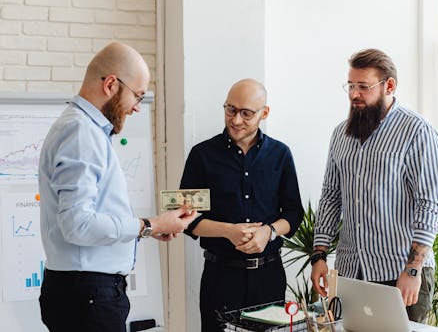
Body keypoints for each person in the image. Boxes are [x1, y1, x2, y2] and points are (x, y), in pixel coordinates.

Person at [38, 42, 197, 332]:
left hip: (83, 294)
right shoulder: (81, 133)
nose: (138, 107)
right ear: (111, 84)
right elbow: (77, 225)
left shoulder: (84, 130)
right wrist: (149, 223)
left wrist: (150, 228)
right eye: (137, 95)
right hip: (88, 296)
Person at [311, 48, 438, 322]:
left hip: (400, 275)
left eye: (363, 86)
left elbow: (429, 205)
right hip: (352, 273)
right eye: (350, 86)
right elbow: (330, 197)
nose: (354, 94)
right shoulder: (341, 133)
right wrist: (319, 256)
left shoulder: (417, 131)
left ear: (389, 85)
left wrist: (413, 271)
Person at [180, 78, 304, 331]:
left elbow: (293, 213)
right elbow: (186, 219)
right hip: (219, 276)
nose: (236, 120)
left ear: (264, 113)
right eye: (231, 110)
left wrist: (267, 232)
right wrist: (228, 230)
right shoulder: (202, 155)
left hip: (268, 276)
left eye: (247, 113)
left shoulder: (280, 154)